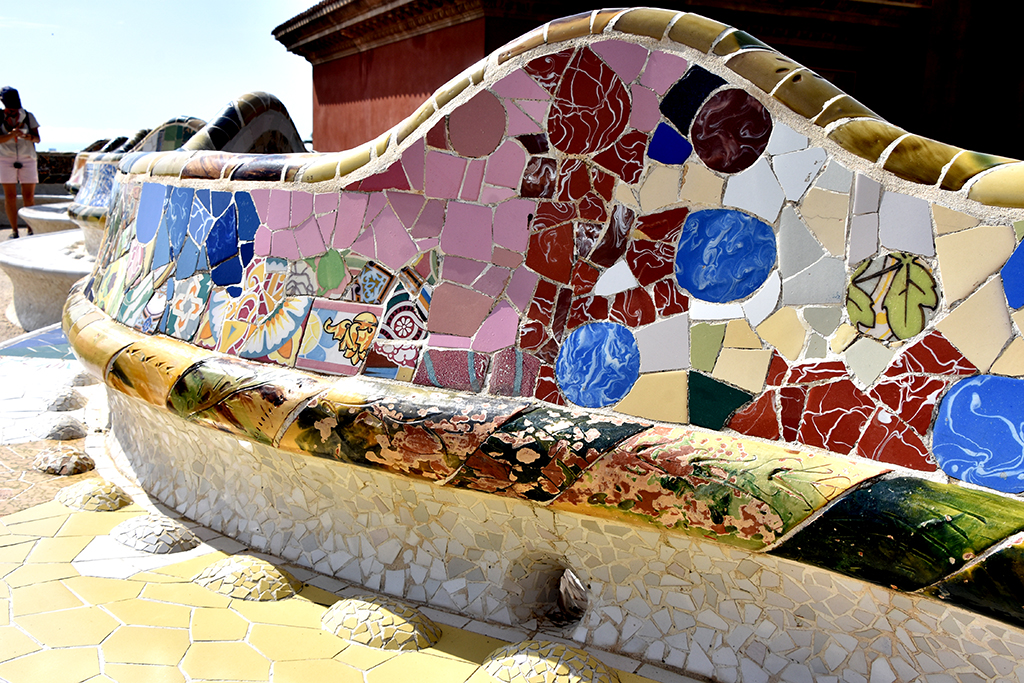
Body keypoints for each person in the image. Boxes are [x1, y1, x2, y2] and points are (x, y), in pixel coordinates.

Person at [0, 87, 40, 238]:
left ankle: (31, 229)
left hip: (27, 158)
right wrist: (11, 135)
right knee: (10, 196)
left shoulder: (28, 116)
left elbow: (37, 138)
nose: (12, 111)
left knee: (28, 196)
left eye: (14, 109)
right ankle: (14, 230)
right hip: (5, 158)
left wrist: (28, 137)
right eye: (10, 109)